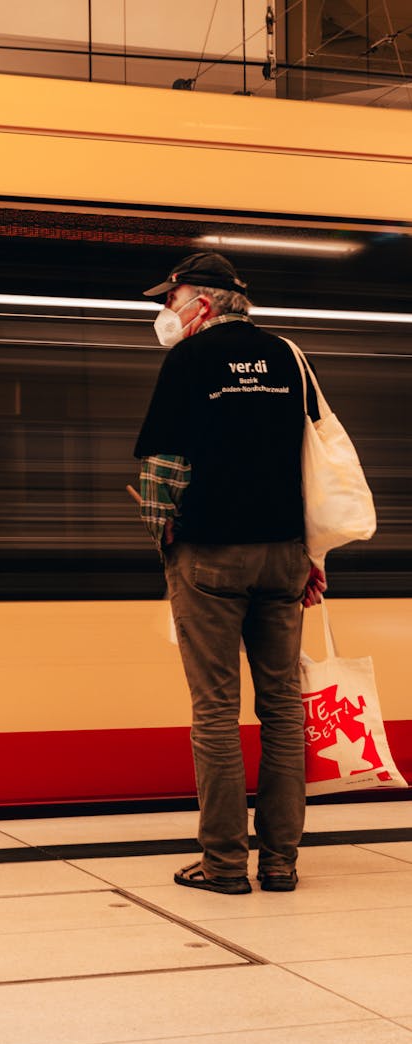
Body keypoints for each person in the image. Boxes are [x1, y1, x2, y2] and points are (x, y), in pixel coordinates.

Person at [134, 252, 326, 895]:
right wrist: (313, 553)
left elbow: (163, 466)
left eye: (172, 299)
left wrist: (161, 531)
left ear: (204, 304)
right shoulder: (289, 357)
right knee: (281, 711)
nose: (166, 312)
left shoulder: (188, 359)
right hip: (284, 553)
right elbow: (318, 460)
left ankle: (223, 865)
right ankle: (280, 862)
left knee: (215, 710)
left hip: (211, 553)